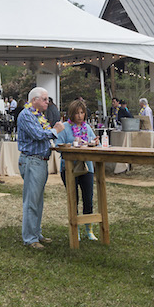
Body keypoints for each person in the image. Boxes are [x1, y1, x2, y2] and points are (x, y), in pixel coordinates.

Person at [17, 87, 59, 249]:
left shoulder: (38, 116)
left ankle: (36, 232)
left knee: (38, 201)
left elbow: (43, 132)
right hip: (32, 161)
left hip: (40, 161)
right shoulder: (26, 115)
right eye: (44, 99)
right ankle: (29, 238)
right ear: (34, 100)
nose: (47, 102)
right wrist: (56, 130)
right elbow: (38, 134)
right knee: (31, 201)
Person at [57, 98, 98, 241]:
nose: (80, 116)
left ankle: (89, 229)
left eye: (82, 113)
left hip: (87, 167)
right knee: (73, 199)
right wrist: (72, 144)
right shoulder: (64, 127)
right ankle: (75, 229)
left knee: (88, 198)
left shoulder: (87, 128)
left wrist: (94, 143)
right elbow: (58, 145)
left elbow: (94, 144)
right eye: (77, 113)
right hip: (69, 168)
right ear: (71, 114)